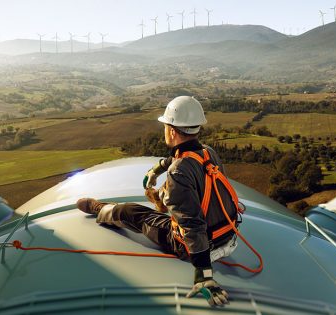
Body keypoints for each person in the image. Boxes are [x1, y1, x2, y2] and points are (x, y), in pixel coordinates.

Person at [76, 95, 242, 307]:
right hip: (229, 237)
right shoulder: (208, 152)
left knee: (131, 212)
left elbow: (192, 225)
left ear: (172, 131)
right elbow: (182, 158)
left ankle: (100, 209)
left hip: (201, 248)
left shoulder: (178, 173)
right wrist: (157, 169)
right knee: (173, 203)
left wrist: (204, 274)